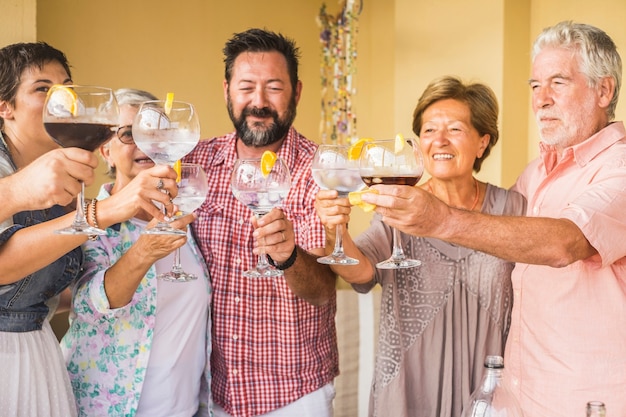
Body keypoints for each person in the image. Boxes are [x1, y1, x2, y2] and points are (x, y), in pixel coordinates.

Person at [356, 21, 626, 417]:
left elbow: (564, 243)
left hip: (587, 400)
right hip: (515, 399)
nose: (541, 100)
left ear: (604, 90)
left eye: (558, 83)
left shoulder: (619, 166)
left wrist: (440, 220)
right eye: (535, 86)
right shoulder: (535, 175)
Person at [315, 76, 526, 417]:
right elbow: (363, 271)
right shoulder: (400, 206)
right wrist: (333, 229)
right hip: (410, 393)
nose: (439, 140)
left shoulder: (513, 209)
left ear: (483, 142)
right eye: (428, 130)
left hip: (489, 393)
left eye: (455, 129)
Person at [0, 43, 178, 417]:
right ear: (5, 106)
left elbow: (55, 284)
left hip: (38, 352)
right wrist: (109, 211)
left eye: (67, 88)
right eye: (43, 89)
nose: (60, 99)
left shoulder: (58, 177)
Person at [183, 28, 338, 417]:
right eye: (246, 87)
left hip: (293, 394)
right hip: (210, 389)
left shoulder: (319, 170)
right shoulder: (197, 162)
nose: (259, 102)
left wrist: (288, 256)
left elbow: (323, 290)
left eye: (274, 88)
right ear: (227, 90)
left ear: (296, 92)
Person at [60, 88, 212, 417]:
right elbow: (88, 307)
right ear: (106, 150)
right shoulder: (88, 218)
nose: (145, 144)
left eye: (155, 132)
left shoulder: (185, 212)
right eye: (130, 134)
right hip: (106, 409)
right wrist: (143, 252)